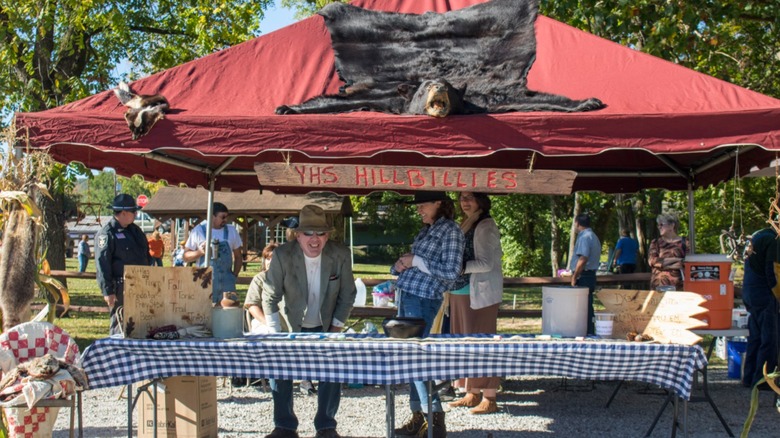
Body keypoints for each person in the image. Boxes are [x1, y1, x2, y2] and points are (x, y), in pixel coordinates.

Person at [261, 205, 356, 438]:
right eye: (308, 233)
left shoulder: (340, 254)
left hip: (326, 324)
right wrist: (275, 332)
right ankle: (284, 426)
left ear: (328, 235)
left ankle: (326, 426)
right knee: (280, 371)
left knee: (332, 372)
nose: (315, 239)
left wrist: (335, 328)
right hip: (290, 324)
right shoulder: (283, 255)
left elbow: (348, 294)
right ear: (298, 235)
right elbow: (270, 294)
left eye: (320, 233)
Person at [393, 191, 464, 438]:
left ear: (439, 204)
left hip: (423, 298)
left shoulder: (451, 230)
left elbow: (452, 271)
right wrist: (402, 264)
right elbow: (409, 264)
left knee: (415, 357)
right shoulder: (427, 229)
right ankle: (419, 418)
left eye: (422, 204)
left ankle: (434, 421)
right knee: (409, 358)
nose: (418, 209)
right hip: (408, 295)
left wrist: (415, 262)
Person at [447, 192, 503, 415]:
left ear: (481, 200)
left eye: (470, 197)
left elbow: (486, 263)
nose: (464, 202)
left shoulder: (485, 225)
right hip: (461, 292)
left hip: (479, 295)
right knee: (465, 345)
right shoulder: (467, 222)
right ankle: (471, 393)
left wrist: (458, 267)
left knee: (483, 344)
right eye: (462, 197)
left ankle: (490, 397)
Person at [95, 194, 151, 335]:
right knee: (120, 324)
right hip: (120, 286)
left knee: (140, 323)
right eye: (134, 212)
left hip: (141, 284)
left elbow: (145, 255)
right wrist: (108, 291)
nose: (136, 214)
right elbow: (102, 264)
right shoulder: (107, 233)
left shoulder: (135, 231)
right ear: (124, 213)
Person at [741, 227, 780, 389]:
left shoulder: (757, 234)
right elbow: (773, 271)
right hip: (764, 293)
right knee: (769, 340)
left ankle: (749, 377)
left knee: (755, 339)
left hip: (750, 292)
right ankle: (762, 381)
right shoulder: (774, 240)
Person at [183, 202, 243, 304]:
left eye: (226, 217)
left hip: (227, 282)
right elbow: (185, 256)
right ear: (212, 216)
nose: (225, 220)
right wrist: (200, 252)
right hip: (205, 281)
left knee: (228, 312)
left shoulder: (232, 231)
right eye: (222, 217)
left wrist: (234, 276)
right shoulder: (199, 231)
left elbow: (238, 256)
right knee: (205, 311)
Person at [569, 213, 601, 335]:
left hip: (584, 275)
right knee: (587, 305)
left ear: (577, 223)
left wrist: (575, 276)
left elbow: (583, 258)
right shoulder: (593, 236)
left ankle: (585, 332)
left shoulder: (584, 237)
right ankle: (589, 331)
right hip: (590, 275)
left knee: (583, 307)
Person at [244, 242, 279, 334]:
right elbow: (251, 305)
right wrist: (270, 324)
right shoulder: (259, 279)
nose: (270, 262)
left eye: (274, 258)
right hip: (264, 322)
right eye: (268, 259)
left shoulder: (290, 278)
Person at [648, 213, 686, 291]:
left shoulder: (685, 242)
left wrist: (662, 264)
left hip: (679, 286)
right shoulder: (655, 243)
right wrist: (677, 260)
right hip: (658, 285)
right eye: (658, 225)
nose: (659, 227)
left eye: (661, 224)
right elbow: (652, 261)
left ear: (672, 225)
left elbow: (688, 262)